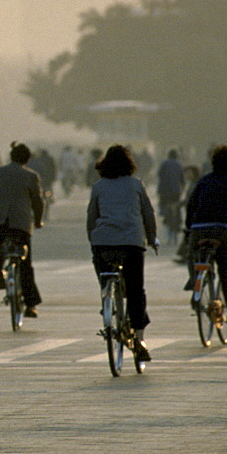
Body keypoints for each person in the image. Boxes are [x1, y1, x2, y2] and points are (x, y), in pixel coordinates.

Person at [86, 144, 157, 363]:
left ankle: (107, 302)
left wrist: (94, 239)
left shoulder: (98, 186)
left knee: (106, 277)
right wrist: (152, 238)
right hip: (132, 244)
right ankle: (139, 338)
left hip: (103, 244)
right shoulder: (136, 185)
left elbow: (91, 217)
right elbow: (148, 213)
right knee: (136, 290)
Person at [184, 145, 227, 324]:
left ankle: (196, 282)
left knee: (193, 259)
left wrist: (188, 228)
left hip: (199, 228)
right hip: (222, 229)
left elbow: (191, 206)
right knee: (226, 268)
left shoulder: (203, 181)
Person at [0, 142, 45, 317]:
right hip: (21, 223)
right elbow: (38, 202)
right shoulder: (31, 176)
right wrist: (39, 221)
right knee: (25, 264)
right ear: (27, 159)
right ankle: (31, 305)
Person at [157, 149, 186, 245]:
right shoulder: (179, 164)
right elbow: (182, 181)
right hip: (175, 193)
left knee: (165, 210)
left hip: (165, 192)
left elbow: (160, 176)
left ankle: (166, 221)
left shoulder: (164, 164)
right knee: (176, 210)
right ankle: (176, 230)